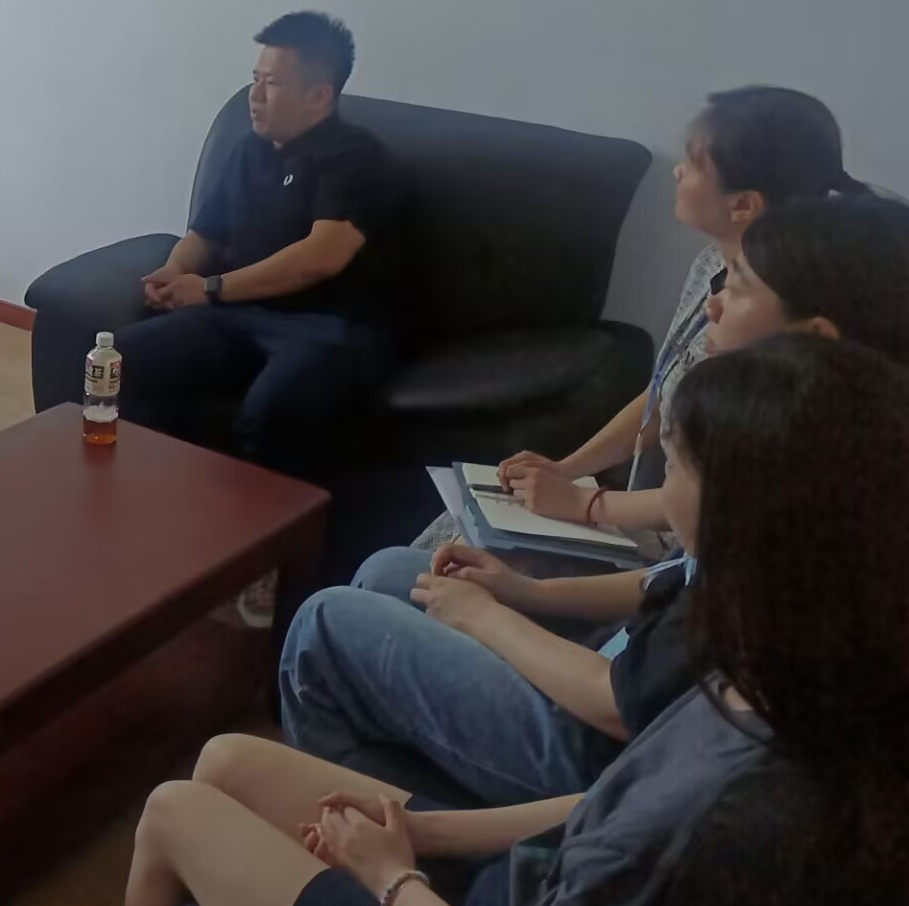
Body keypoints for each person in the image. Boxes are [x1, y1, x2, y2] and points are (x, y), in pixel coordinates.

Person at [128, 335, 909, 906]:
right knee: (226, 761)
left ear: (745, 518)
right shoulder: (776, 680)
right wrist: (429, 834)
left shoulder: (728, 802)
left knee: (172, 811)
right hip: (510, 894)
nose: (660, 491)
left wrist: (393, 879)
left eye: (676, 466)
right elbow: (602, 803)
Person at [279, 195, 909, 803]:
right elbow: (671, 579)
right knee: (389, 571)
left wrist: (486, 617)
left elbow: (622, 706)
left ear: (815, 335)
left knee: (325, 622)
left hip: (600, 754)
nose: (713, 303)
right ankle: (386, 794)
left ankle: (395, 838)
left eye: (738, 288)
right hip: (613, 664)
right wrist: (527, 593)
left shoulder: (794, 505)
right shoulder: (787, 443)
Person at [355, 83, 861, 602]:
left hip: (672, 553)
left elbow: (714, 504)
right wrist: (567, 470)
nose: (677, 171)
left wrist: (585, 506)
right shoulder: (711, 265)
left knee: (408, 577)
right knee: (447, 535)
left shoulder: (774, 328)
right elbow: (663, 391)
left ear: (744, 204)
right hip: (637, 515)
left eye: (693, 164)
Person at [114, 12, 399, 475]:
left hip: (325, 326)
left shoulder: (356, 158)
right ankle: (141, 489)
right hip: (239, 315)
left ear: (318, 96)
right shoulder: (249, 150)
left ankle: (266, 518)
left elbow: (321, 256)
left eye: (273, 83)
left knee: (274, 412)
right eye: (255, 79)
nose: (255, 95)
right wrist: (175, 271)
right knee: (122, 361)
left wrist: (210, 289)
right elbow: (206, 233)